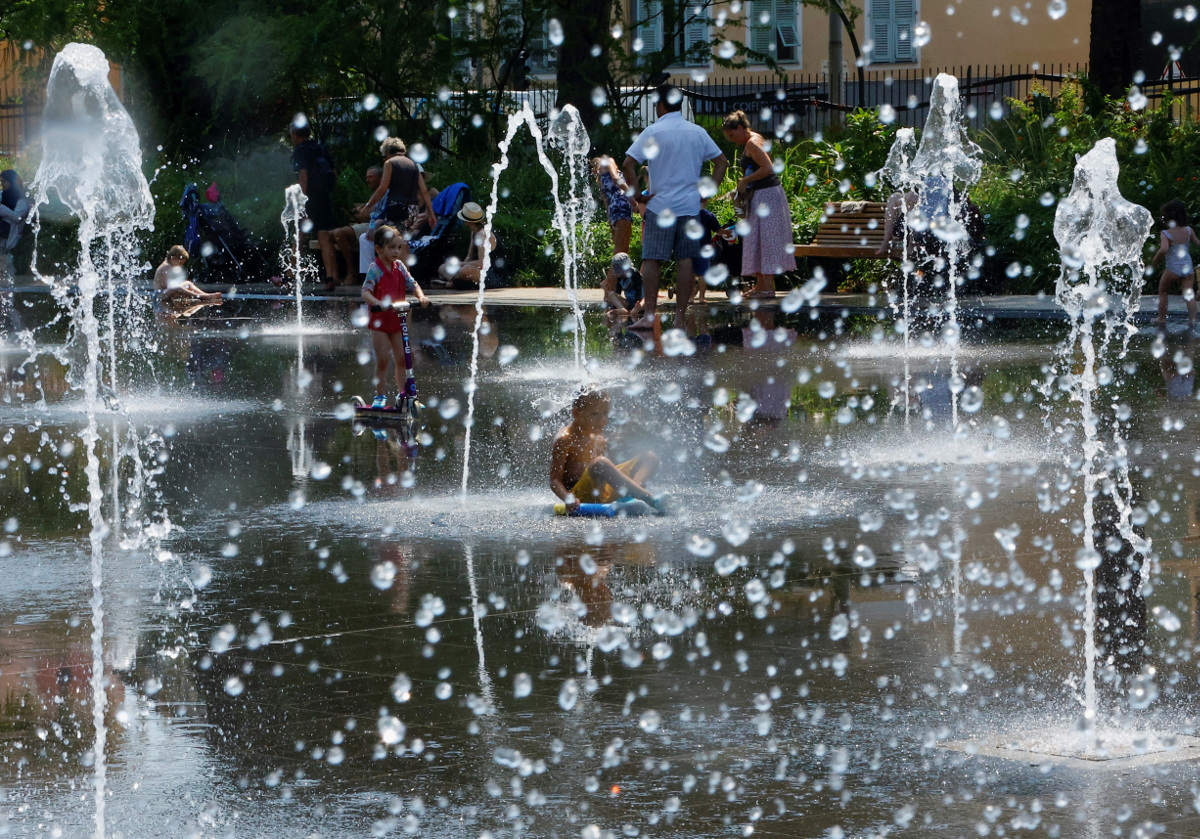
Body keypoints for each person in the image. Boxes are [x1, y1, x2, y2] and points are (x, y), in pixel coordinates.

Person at [622, 84, 727, 329]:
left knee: (652, 260)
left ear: (660, 105)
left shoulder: (653, 132)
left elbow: (628, 164)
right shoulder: (697, 132)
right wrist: (707, 192)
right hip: (689, 208)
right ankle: (680, 319)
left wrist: (637, 194)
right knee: (685, 260)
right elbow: (722, 162)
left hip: (659, 207)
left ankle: (649, 317)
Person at [721, 111, 796, 299]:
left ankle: (767, 287)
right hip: (762, 195)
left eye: (732, 135)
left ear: (740, 127)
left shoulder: (752, 143)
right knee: (757, 238)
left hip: (767, 196)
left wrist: (746, 181)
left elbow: (768, 168)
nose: (732, 141)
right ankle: (760, 285)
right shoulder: (755, 139)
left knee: (766, 239)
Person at [550, 385, 660, 511]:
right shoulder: (564, 439)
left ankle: (632, 497)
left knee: (649, 457)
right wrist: (567, 498)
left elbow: (609, 472)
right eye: (594, 414)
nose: (602, 420)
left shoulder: (599, 439)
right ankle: (650, 499)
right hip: (579, 496)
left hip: (602, 492)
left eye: (605, 413)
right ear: (576, 413)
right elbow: (554, 480)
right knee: (600, 463)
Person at [361, 225, 432, 408]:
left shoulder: (399, 266)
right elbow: (365, 291)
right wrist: (377, 302)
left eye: (399, 247)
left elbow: (413, 284)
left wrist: (421, 297)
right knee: (383, 360)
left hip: (397, 320)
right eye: (391, 247)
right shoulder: (375, 269)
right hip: (379, 321)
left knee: (403, 359)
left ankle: (404, 394)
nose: (396, 251)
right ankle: (380, 396)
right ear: (379, 249)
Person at [290, 120, 340, 290]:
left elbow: (303, 177)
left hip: (309, 199)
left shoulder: (300, 150)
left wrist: (301, 202)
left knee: (300, 236)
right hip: (324, 198)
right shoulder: (321, 148)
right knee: (324, 237)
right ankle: (330, 277)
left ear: (295, 135)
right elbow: (334, 173)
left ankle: (289, 276)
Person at [364, 137, 436, 235]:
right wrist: (431, 214)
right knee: (405, 239)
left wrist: (367, 206)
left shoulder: (390, 163)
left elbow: (382, 189)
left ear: (388, 151)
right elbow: (424, 191)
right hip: (413, 210)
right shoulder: (413, 165)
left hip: (397, 208)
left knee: (392, 238)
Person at [1150, 199, 1200, 329]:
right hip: (1187, 267)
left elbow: (1164, 249)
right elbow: (1198, 243)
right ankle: (1193, 320)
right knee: (1188, 293)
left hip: (1172, 268)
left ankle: (1161, 318)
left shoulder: (1166, 233)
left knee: (1163, 291)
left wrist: (1156, 260)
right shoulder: (1189, 230)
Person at [332, 165, 383, 286]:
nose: (367, 179)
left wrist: (365, 212)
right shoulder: (375, 193)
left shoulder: (384, 192)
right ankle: (335, 276)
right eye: (367, 177)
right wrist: (358, 213)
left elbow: (377, 213)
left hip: (379, 225)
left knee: (340, 233)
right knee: (328, 235)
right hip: (369, 224)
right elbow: (366, 214)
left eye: (371, 177)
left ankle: (352, 272)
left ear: (381, 178)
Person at [435, 202, 505, 289]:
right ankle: (457, 281)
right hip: (475, 270)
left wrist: (462, 265)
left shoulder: (482, 234)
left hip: (492, 275)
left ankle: (451, 283)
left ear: (467, 222)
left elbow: (482, 263)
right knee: (443, 267)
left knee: (466, 270)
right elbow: (469, 257)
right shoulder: (474, 232)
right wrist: (459, 267)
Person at [593, 155, 634, 298]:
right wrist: (633, 197)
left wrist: (611, 222)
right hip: (622, 208)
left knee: (620, 250)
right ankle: (609, 286)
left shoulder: (601, 179)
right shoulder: (609, 161)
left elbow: (606, 203)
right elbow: (617, 179)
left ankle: (611, 291)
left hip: (614, 212)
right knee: (621, 251)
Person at [154, 246, 223, 303]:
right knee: (176, 288)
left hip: (166, 292)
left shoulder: (170, 265)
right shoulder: (167, 266)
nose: (180, 266)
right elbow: (169, 286)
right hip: (160, 295)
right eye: (180, 263)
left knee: (187, 283)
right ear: (173, 258)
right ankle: (203, 297)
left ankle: (205, 295)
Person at [0, 169, 29, 282]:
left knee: (8, 271)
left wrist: (2, 209)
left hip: (12, 238)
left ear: (11, 182)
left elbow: (17, 217)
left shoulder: (21, 200)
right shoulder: (2, 194)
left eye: (4, 181)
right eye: (1, 181)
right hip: (2, 236)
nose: (2, 184)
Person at [605, 252, 644, 326]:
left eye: (622, 272)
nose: (621, 275)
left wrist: (636, 305)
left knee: (645, 301)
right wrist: (615, 306)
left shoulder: (635, 274)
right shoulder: (620, 278)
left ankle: (633, 309)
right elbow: (618, 292)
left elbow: (638, 290)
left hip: (639, 302)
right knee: (611, 294)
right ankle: (622, 309)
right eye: (619, 273)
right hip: (628, 303)